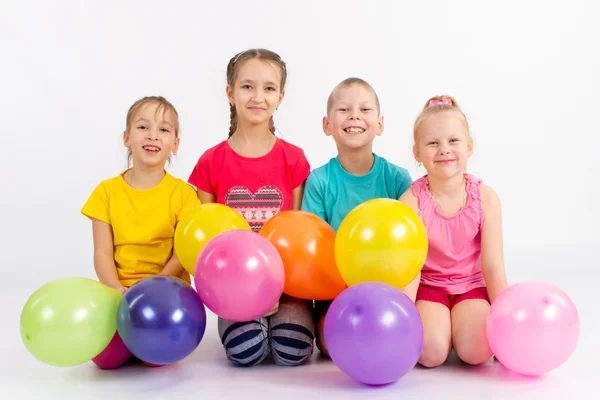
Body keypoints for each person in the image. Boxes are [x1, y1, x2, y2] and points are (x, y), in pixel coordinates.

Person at [187, 48, 314, 367]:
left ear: (280, 97)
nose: (258, 96)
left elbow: (296, 235)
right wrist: (243, 294)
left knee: (292, 350)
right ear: (230, 93)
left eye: (269, 88)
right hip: (233, 287)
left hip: (286, 286)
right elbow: (205, 245)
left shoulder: (294, 159)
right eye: (247, 86)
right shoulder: (210, 162)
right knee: (246, 351)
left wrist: (274, 290)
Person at [81, 96, 200, 369]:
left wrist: (152, 288)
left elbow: (181, 254)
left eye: (164, 130)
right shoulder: (106, 192)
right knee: (106, 360)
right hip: (119, 290)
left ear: (175, 144)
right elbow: (101, 252)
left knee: (155, 356)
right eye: (143, 127)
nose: (153, 136)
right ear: (127, 138)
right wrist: (115, 288)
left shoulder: (183, 194)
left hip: (165, 291)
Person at [301, 77, 413, 356]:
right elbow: (313, 249)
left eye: (365, 109)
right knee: (331, 345)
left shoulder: (397, 179)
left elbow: (410, 245)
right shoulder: (319, 181)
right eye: (343, 110)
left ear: (380, 124)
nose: (354, 116)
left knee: (388, 335)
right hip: (337, 287)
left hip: (389, 285)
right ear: (327, 125)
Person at [399, 95, 508, 367]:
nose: (443, 149)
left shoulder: (486, 197)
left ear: (469, 147)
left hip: (470, 288)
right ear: (417, 153)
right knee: (431, 353)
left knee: (477, 351)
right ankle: (443, 333)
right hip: (428, 288)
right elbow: (409, 268)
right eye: (432, 143)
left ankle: (460, 331)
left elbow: (493, 266)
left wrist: (505, 322)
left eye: (453, 141)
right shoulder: (410, 201)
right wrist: (400, 320)